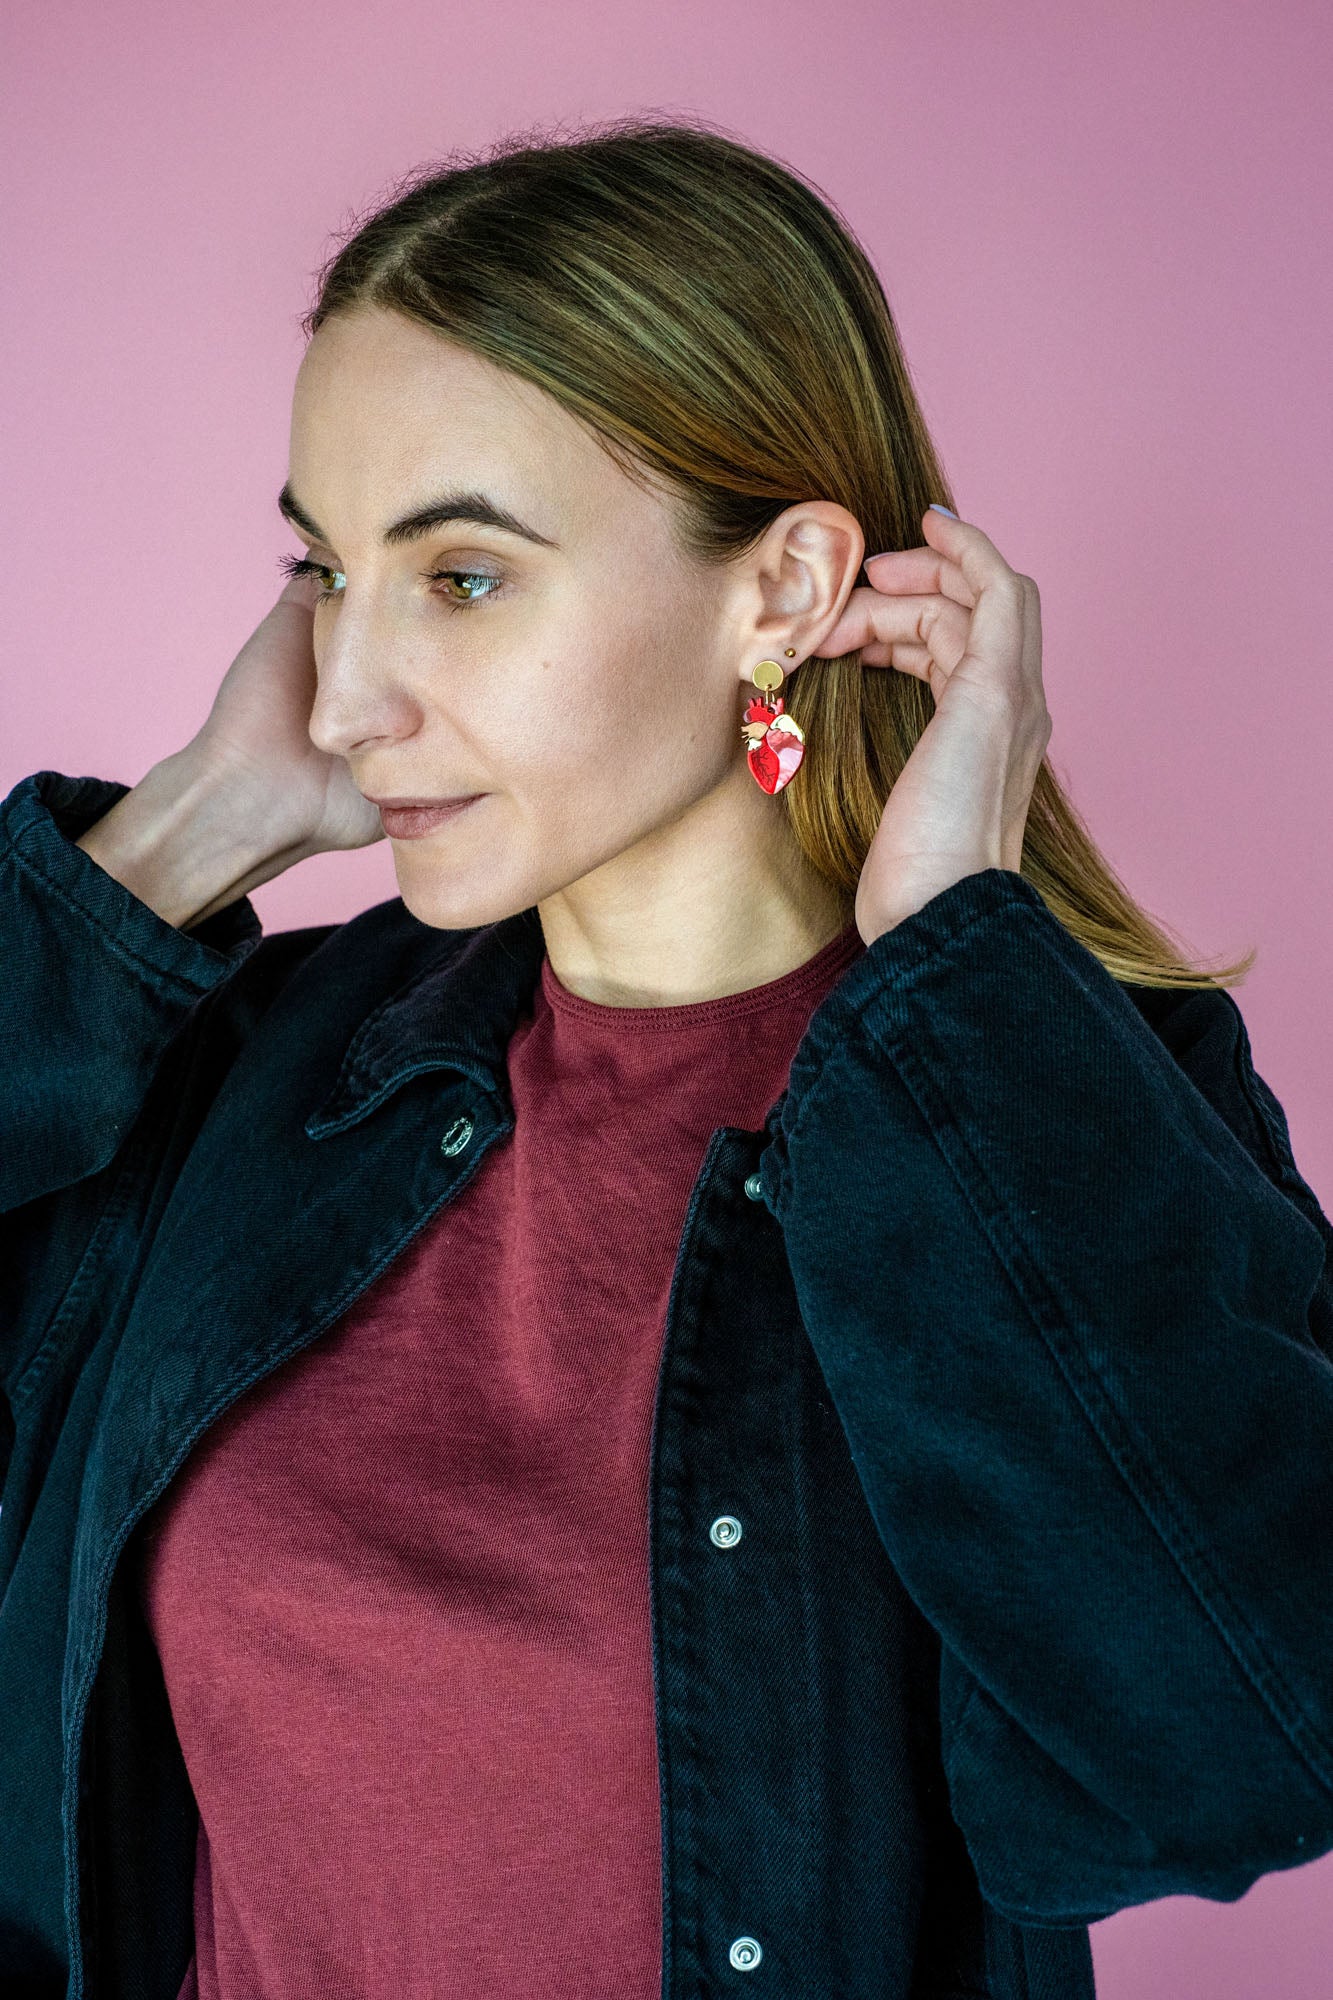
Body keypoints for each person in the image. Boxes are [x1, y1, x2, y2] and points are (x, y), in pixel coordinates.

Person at [3, 113, 1332, 2000]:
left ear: (778, 594)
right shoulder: (244, 1078)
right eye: (325, 574)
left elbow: (1226, 1752)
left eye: (457, 576)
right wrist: (188, 829)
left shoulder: (1052, 1115)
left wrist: (954, 949)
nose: (351, 693)